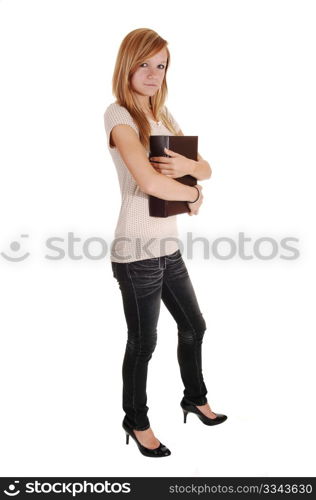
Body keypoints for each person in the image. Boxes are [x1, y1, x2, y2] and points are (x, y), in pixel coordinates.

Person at [103, 28, 227, 458]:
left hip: (167, 247)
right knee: (144, 342)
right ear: (128, 65)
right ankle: (135, 420)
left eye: (162, 65)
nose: (154, 73)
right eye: (145, 64)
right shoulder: (119, 116)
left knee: (195, 327)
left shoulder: (163, 113)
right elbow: (150, 180)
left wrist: (193, 170)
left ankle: (194, 398)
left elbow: (205, 167)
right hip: (135, 253)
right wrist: (193, 194)